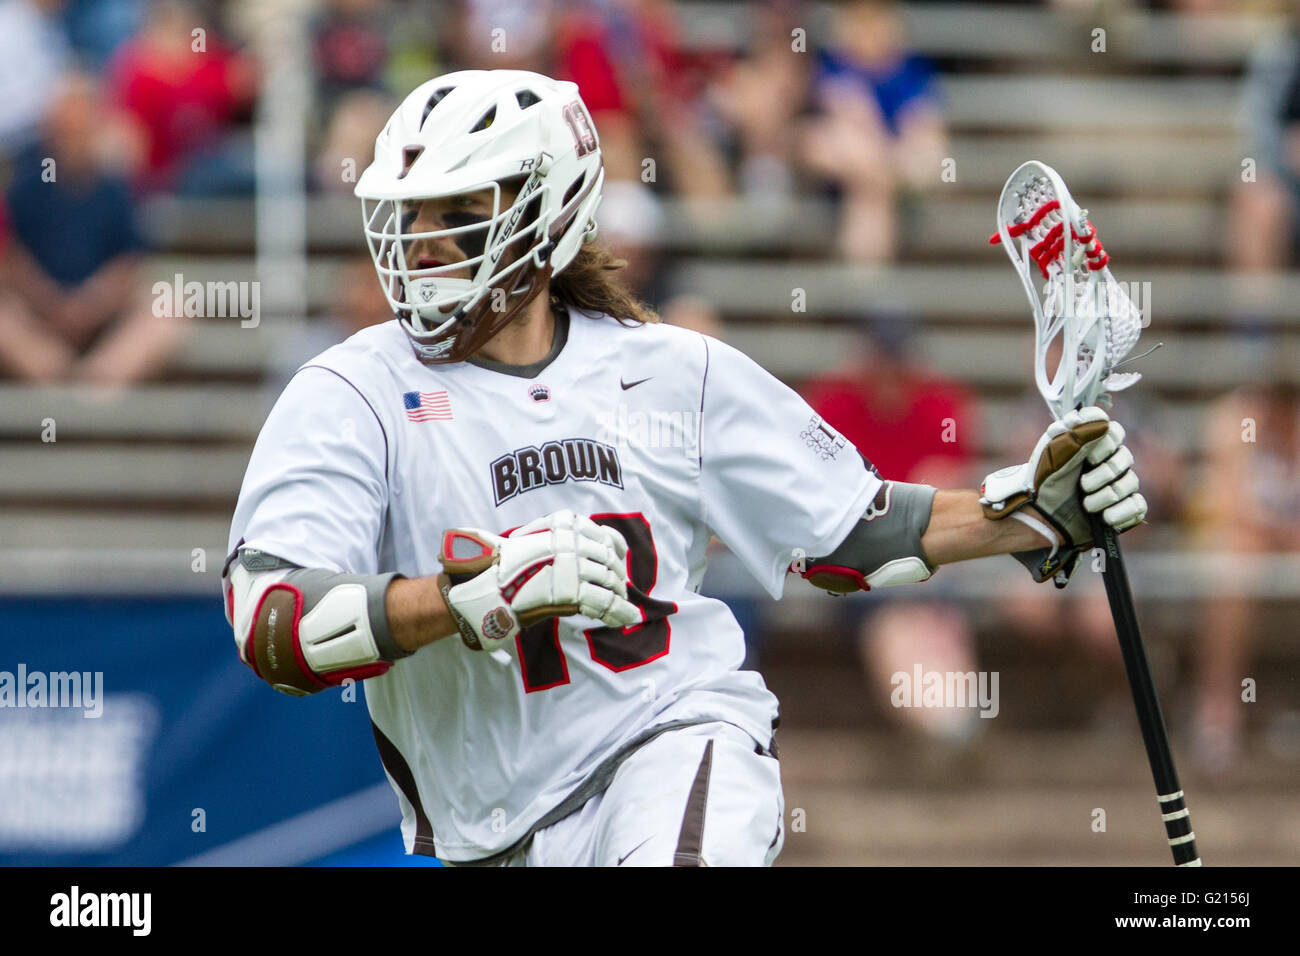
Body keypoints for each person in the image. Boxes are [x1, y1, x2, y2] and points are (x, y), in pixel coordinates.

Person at [222, 69, 1147, 867]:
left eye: (461, 213)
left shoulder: (673, 370)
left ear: (546, 217)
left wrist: (1030, 513)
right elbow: (275, 628)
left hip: (672, 740)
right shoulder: (350, 393)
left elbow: (854, 534)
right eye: (407, 214)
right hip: (489, 832)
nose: (421, 243)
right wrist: (468, 597)